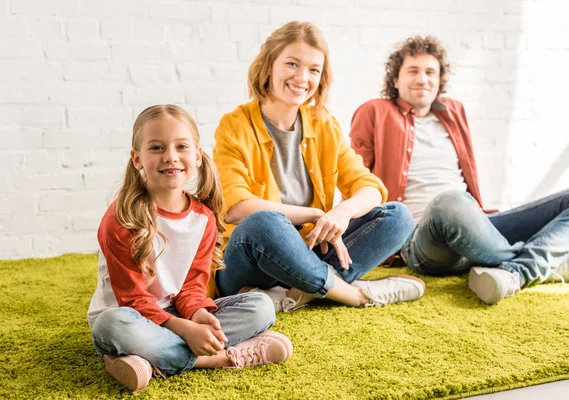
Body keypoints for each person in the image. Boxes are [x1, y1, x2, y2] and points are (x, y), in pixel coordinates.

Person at [349, 35, 569, 305]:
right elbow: (357, 180)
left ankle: (519, 270)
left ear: (439, 81)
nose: (422, 79)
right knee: (450, 201)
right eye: (413, 71)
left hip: (474, 222)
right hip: (421, 239)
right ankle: (543, 263)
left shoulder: (453, 111)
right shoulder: (374, 111)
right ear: (396, 80)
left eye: (430, 72)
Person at [212, 21, 424, 313]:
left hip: (307, 251)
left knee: (398, 216)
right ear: (269, 66)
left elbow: (370, 188)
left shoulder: (324, 123)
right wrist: (314, 214)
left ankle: (296, 293)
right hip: (249, 260)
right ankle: (353, 294)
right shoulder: (234, 125)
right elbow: (235, 207)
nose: (302, 77)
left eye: (313, 69)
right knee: (267, 222)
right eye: (292, 64)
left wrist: (342, 212)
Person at [87, 105, 293, 392]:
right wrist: (186, 330)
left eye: (181, 146)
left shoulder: (204, 218)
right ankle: (218, 358)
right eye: (157, 148)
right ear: (137, 159)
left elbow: (191, 288)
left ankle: (148, 360)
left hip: (176, 313)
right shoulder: (121, 219)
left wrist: (197, 315)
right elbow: (132, 299)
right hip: (129, 315)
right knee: (112, 325)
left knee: (261, 307)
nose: (170, 156)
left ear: (197, 155)